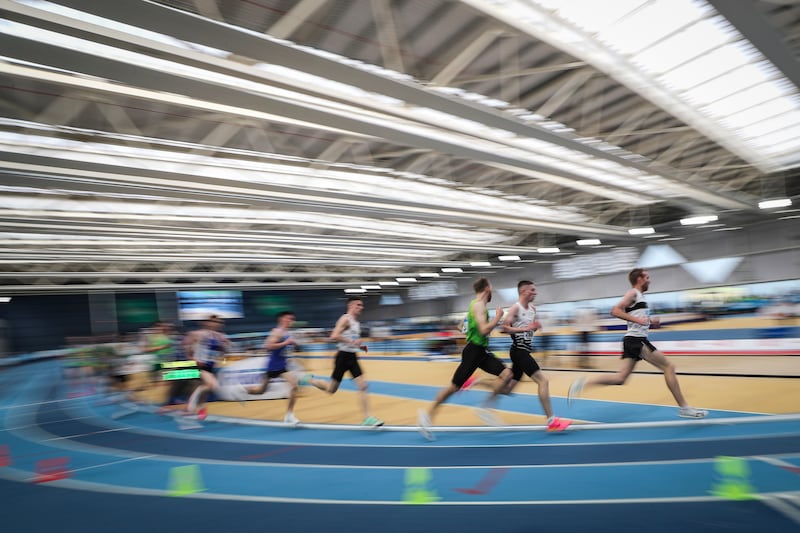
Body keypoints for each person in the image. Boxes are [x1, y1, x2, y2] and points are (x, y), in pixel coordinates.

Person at [568, 268, 707, 419]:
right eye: (647, 277)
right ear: (639, 279)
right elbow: (615, 311)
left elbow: (636, 316)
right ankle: (684, 408)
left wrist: (649, 321)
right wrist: (638, 320)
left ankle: (582, 383)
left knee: (620, 379)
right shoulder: (633, 293)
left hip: (632, 340)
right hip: (636, 340)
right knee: (669, 367)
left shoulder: (640, 297)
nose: (649, 280)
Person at [417, 277, 512, 440]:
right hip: (473, 352)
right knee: (453, 387)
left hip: (481, 351)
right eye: (492, 288)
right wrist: (498, 317)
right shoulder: (478, 305)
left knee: (507, 375)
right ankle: (427, 415)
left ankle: (485, 408)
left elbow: (461, 325)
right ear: (487, 288)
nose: (493, 292)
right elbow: (483, 330)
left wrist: (470, 333)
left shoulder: (473, 305)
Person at [481, 280, 571, 431]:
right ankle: (551, 421)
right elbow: (504, 328)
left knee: (508, 389)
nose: (535, 293)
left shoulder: (533, 309)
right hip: (518, 352)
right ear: (523, 291)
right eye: (532, 290)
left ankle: (478, 382)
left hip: (524, 351)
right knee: (543, 382)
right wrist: (525, 329)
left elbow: (528, 329)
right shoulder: (515, 308)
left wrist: (534, 328)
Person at [305, 297, 384, 426]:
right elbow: (334, 335)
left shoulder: (356, 323)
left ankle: (368, 418)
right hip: (342, 357)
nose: (361, 307)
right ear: (351, 305)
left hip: (352, 357)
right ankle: (310, 380)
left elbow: (351, 340)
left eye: (362, 305)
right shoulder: (345, 319)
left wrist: (359, 346)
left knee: (363, 386)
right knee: (331, 389)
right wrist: (353, 342)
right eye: (358, 305)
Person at [245, 311, 302, 425]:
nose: (291, 321)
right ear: (282, 319)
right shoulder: (276, 332)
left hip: (283, 367)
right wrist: (286, 343)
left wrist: (295, 345)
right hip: (272, 366)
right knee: (261, 391)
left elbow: (290, 348)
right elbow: (269, 346)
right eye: (289, 318)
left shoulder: (288, 333)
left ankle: (289, 415)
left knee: (294, 386)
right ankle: (245, 390)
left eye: (292, 319)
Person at [183, 315, 240, 421]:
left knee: (205, 388)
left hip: (211, 366)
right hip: (200, 364)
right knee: (211, 385)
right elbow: (186, 345)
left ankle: (201, 409)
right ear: (206, 322)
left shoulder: (221, 336)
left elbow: (225, 351)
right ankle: (190, 407)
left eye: (218, 322)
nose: (216, 324)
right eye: (213, 321)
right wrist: (191, 358)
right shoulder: (197, 334)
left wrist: (224, 349)